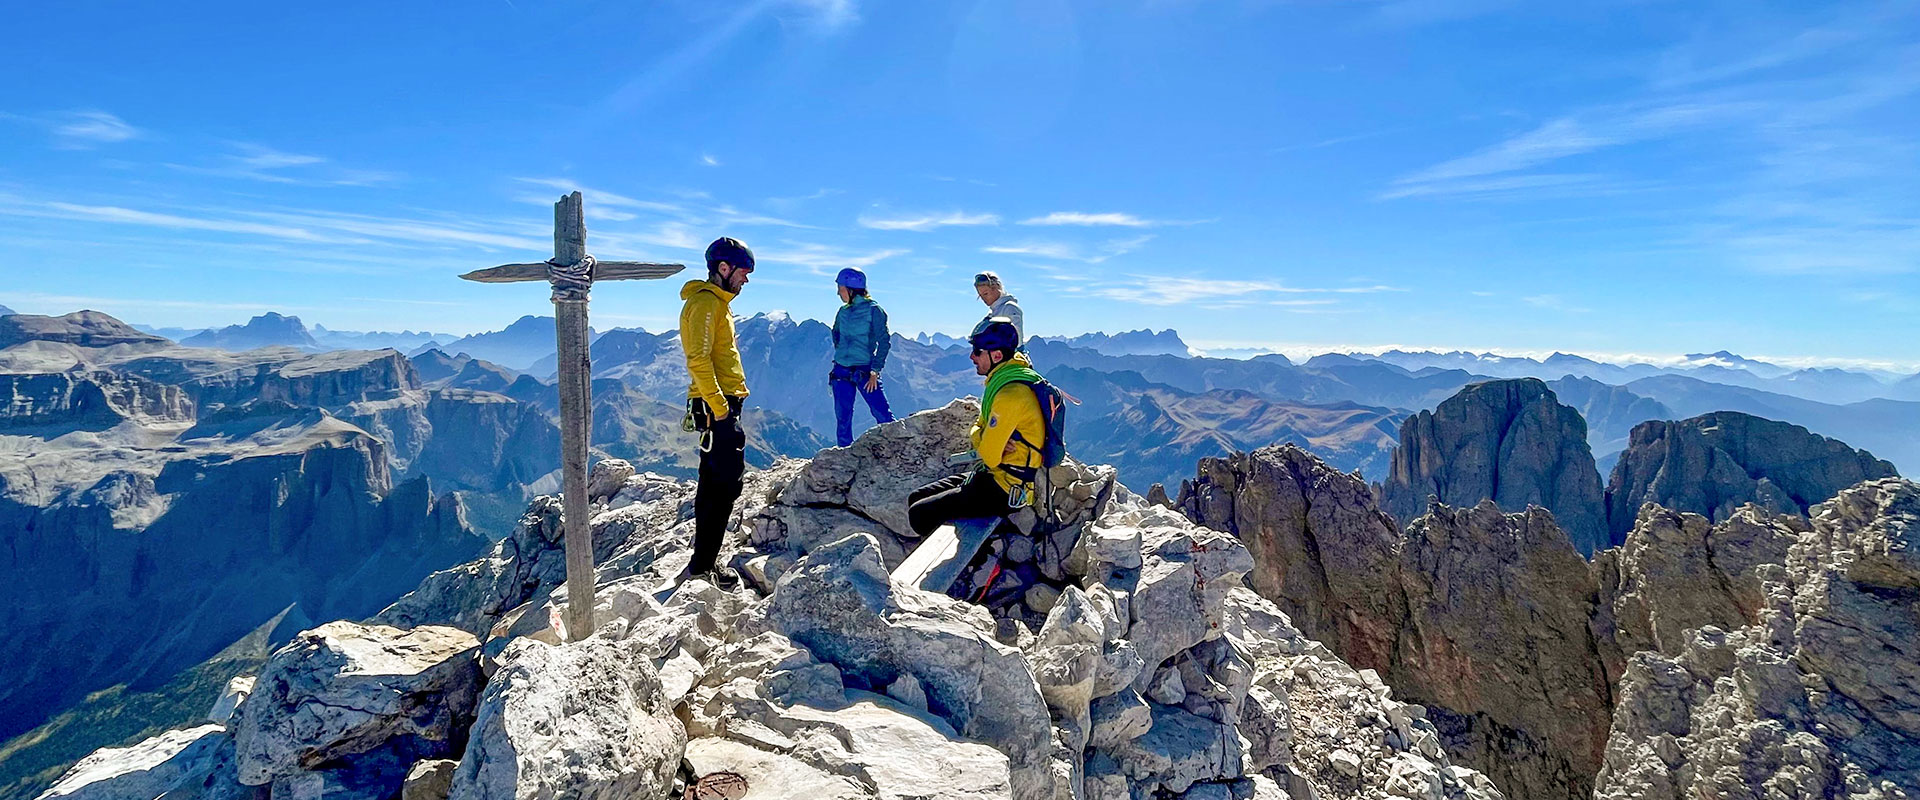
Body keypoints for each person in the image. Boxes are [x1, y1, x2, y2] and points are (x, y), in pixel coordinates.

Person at [907, 318, 1047, 537]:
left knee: (919, 514)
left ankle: (977, 561)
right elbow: (980, 430)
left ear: (997, 356)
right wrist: (982, 434)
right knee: (915, 497)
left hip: (1006, 489)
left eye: (977, 351)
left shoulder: (1010, 395)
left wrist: (982, 436)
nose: (972, 357)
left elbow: (989, 456)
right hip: (996, 475)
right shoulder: (1007, 380)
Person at [679, 236, 754, 588]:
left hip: (718, 404)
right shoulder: (707, 304)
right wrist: (722, 410)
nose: (746, 279)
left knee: (716, 483)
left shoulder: (717, 303)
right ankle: (704, 566)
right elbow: (698, 359)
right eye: (743, 271)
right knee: (722, 485)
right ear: (723, 269)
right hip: (717, 406)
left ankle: (702, 562)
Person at [828, 267, 896, 447]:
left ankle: (895, 447)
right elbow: (836, 333)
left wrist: (875, 370)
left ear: (851, 288)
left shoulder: (874, 310)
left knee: (882, 413)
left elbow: (884, 342)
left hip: (865, 371)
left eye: (840, 288)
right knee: (843, 417)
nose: (838, 292)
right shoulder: (843, 311)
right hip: (841, 370)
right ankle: (844, 456)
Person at [971, 271, 1024, 344]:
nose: (983, 298)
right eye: (980, 295)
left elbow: (1017, 340)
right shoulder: (992, 313)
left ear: (996, 288)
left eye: (985, 293)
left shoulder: (1009, 308)